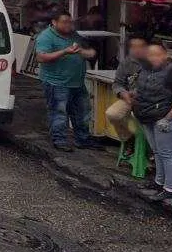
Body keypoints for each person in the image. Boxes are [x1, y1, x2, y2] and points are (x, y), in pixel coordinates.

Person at [133, 42, 172, 201]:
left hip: (166, 117)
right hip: (148, 117)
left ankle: (170, 189)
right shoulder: (145, 70)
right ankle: (159, 182)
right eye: (150, 54)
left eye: (157, 54)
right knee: (157, 151)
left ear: (165, 55)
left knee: (166, 153)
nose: (153, 58)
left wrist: (167, 119)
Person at [35, 10, 99, 152]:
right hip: (56, 83)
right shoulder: (46, 37)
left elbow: (90, 53)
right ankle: (60, 140)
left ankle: (82, 139)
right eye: (64, 22)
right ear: (54, 22)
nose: (68, 25)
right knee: (59, 112)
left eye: (70, 22)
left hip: (77, 82)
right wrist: (64, 51)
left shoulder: (74, 35)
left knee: (83, 111)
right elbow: (41, 57)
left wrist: (82, 52)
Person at [106, 35, 148, 141]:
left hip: (152, 101)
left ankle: (149, 146)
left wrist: (138, 94)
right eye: (134, 47)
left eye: (140, 46)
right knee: (112, 114)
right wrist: (123, 93)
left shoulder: (155, 62)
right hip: (130, 99)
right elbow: (117, 83)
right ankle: (128, 138)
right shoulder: (126, 62)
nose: (137, 50)